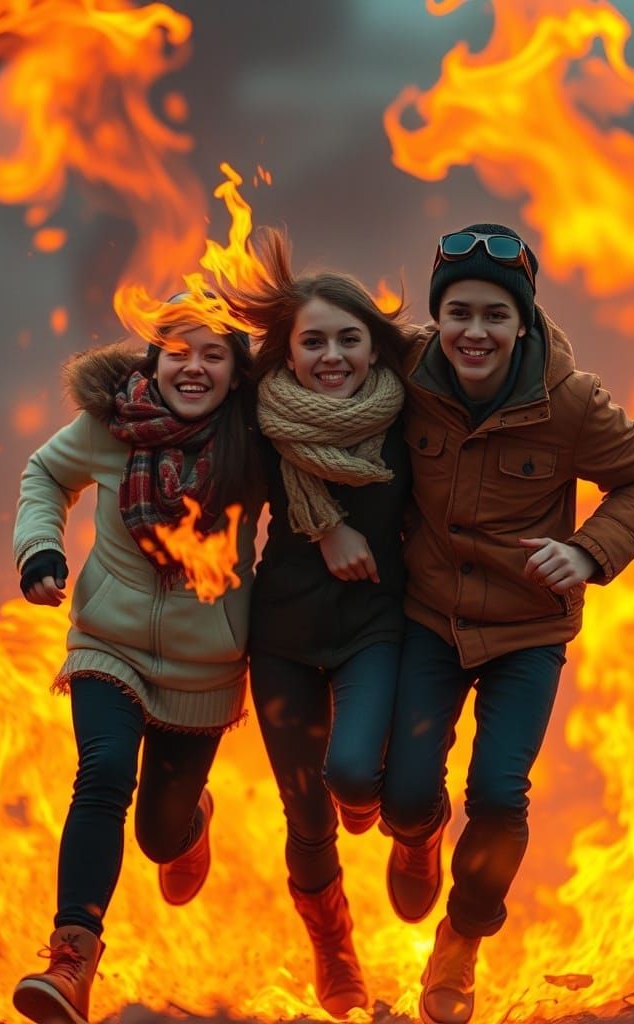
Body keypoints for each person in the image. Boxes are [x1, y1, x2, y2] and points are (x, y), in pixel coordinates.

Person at [380, 224, 634, 1024]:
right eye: (458, 314)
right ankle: (414, 836)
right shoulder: (405, 367)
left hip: (526, 634)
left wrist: (587, 553)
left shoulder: (572, 402)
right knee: (408, 792)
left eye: (493, 316)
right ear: (436, 317)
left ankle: (461, 945)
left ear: (523, 323)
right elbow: (318, 347)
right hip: (429, 615)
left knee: (498, 794)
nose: (474, 333)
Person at [10, 301, 264, 1024]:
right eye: (178, 351)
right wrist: (40, 549)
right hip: (108, 644)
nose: (194, 366)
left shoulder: (255, 439)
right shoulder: (110, 427)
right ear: (152, 362)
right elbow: (44, 475)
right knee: (103, 774)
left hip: (206, 667)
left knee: (158, 833)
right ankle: (70, 963)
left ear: (236, 371)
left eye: (213, 354)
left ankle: (190, 822)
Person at [220, 229, 412, 1018]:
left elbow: (491, 357)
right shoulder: (259, 419)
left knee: (354, 778)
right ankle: (334, 949)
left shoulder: (411, 415)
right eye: (313, 342)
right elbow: (169, 388)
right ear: (287, 354)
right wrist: (326, 526)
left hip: (375, 623)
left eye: (348, 338)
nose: (331, 355)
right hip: (284, 637)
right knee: (304, 814)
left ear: (374, 347)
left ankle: (414, 828)